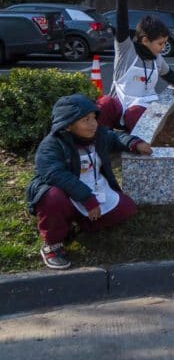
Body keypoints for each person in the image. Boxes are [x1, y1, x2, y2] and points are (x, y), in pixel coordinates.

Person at [26, 94, 151, 269]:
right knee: (52, 198)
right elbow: (56, 175)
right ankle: (52, 245)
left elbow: (114, 137)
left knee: (126, 208)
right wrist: (88, 199)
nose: (93, 124)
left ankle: (81, 223)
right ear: (68, 125)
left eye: (94, 118)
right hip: (67, 192)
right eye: (86, 120)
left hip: (94, 188)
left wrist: (134, 143)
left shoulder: (97, 134)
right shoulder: (51, 145)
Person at [97, 0, 174, 131]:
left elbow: (168, 73)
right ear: (145, 40)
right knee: (104, 103)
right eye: (160, 43)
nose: (163, 47)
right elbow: (122, 25)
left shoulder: (157, 59)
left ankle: (136, 144)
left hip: (140, 107)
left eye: (165, 43)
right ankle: (101, 141)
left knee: (135, 114)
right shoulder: (126, 50)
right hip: (119, 105)